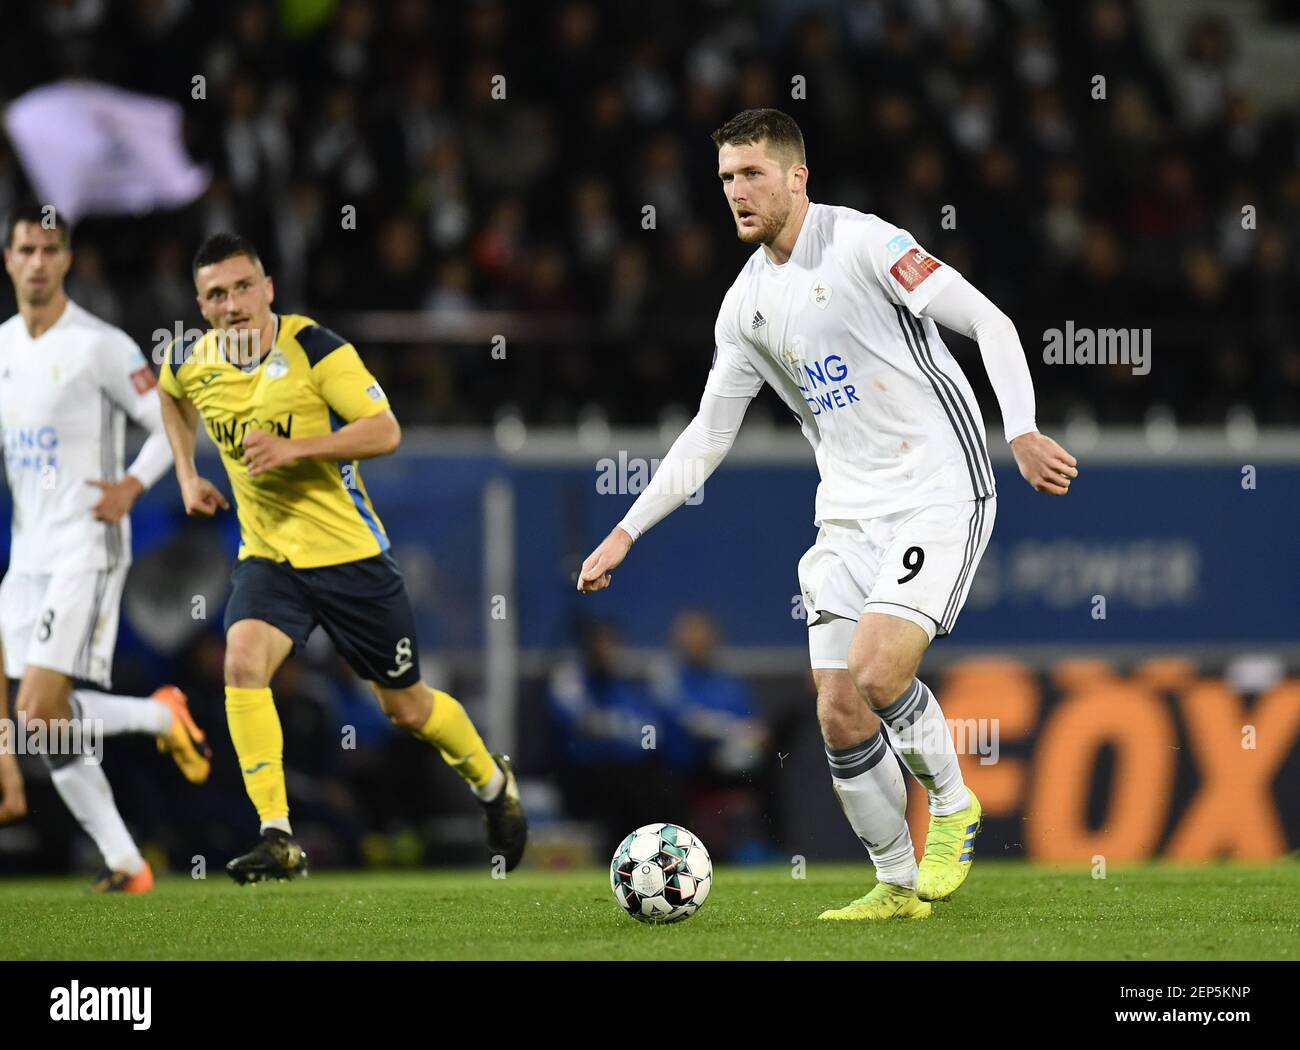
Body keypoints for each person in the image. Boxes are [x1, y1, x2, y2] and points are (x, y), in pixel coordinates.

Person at [578, 109, 1077, 920]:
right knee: (838, 709)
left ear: (796, 176)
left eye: (752, 175)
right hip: (846, 513)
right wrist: (626, 529)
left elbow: (992, 321)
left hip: (937, 487)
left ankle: (952, 805)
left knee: (881, 672)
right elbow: (708, 434)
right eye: (727, 180)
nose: (737, 193)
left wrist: (1018, 431)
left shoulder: (868, 244)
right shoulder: (744, 307)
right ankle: (896, 886)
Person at [156, 232, 525, 882]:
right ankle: (277, 835)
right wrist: (187, 474)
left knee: (405, 709)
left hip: (351, 559)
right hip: (270, 559)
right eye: (218, 293)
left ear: (268, 288)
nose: (234, 303)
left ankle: (492, 784)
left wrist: (295, 449)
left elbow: (385, 430)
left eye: (244, 287)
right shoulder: (192, 359)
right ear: (201, 305)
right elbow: (169, 393)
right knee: (241, 664)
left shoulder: (315, 348)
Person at [0, 204, 211, 893]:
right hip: (26, 555)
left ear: (67, 261)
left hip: (85, 546)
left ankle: (159, 714)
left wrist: (131, 483)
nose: (37, 262)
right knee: (46, 726)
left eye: (49, 250)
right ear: (8, 260)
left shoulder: (99, 345)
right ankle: (126, 862)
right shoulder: (2, 348)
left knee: (34, 713)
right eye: (25, 249)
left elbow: (173, 417)